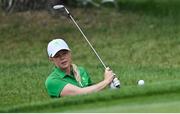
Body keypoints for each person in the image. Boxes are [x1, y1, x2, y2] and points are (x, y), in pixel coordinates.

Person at [45, 38, 115, 98]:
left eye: (64, 53)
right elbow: (81, 93)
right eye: (57, 55)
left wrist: (112, 86)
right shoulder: (52, 81)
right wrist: (106, 81)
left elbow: (93, 93)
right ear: (51, 59)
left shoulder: (81, 71)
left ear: (70, 53)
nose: (62, 57)